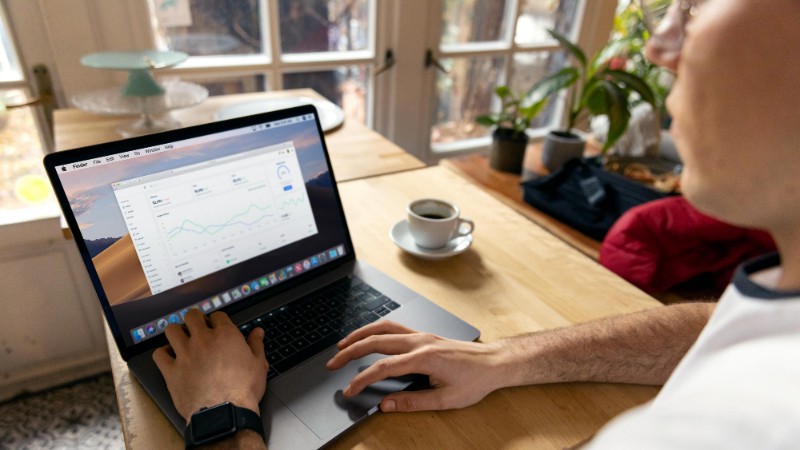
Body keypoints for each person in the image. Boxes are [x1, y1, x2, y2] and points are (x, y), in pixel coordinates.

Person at [154, 0, 800, 448]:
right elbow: (720, 326)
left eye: (698, 7)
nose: (659, 49)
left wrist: (223, 417)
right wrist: (508, 358)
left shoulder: (747, 421)